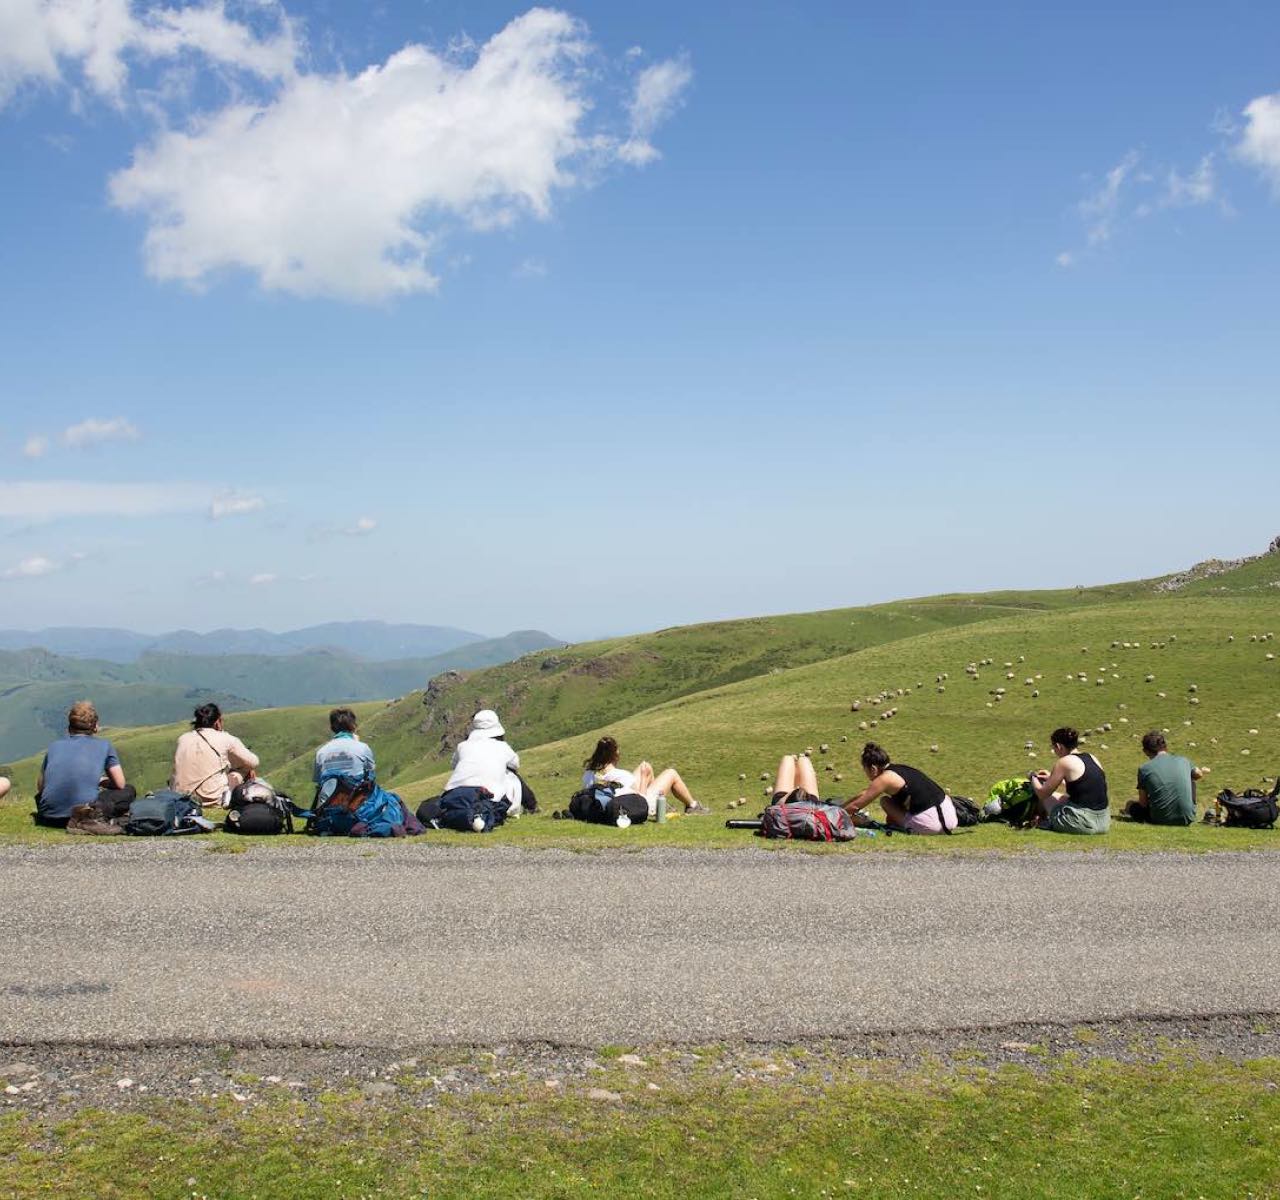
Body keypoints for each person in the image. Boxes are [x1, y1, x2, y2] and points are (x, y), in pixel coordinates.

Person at [33, 701, 136, 828]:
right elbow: (120, 783)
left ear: (69, 727)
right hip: (84, 814)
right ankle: (91, 817)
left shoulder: (54, 746)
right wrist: (102, 782)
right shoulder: (105, 745)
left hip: (48, 816)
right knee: (128, 790)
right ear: (96, 727)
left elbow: (41, 787)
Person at [842, 742, 957, 833]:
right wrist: (840, 807)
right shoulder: (900, 769)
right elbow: (865, 793)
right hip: (951, 819)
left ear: (873, 768)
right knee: (891, 801)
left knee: (885, 801)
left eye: (865, 769)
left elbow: (857, 805)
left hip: (932, 825)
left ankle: (911, 826)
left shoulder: (884, 778)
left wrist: (835, 815)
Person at [581, 735, 706, 817]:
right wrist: (644, 780)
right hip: (636, 806)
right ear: (614, 755)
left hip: (608, 804)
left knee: (645, 766)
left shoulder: (589, 774)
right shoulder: (622, 776)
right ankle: (692, 806)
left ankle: (663, 806)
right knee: (671, 773)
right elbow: (639, 802)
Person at [171, 703, 261, 807]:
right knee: (246, 769)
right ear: (217, 722)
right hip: (211, 798)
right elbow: (254, 762)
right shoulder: (225, 738)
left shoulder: (183, 738)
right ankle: (237, 799)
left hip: (180, 796)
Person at [442, 709, 527, 815]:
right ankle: (530, 805)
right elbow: (515, 765)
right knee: (512, 775)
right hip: (488, 797)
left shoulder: (462, 746)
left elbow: (454, 765)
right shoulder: (502, 747)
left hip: (454, 795)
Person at [1029, 726, 1110, 834]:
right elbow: (1085, 786)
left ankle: (1040, 819)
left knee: (1045, 795)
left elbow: (1042, 793)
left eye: (1053, 747)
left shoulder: (1064, 762)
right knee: (1061, 797)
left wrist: (1033, 777)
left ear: (1058, 746)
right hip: (1103, 822)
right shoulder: (1091, 757)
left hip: (1082, 823)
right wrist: (1051, 778)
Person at [1125, 731, 1208, 825]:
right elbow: (1198, 774)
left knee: (1130, 805)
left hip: (1159, 819)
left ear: (1145, 751)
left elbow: (1143, 803)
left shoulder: (1144, 769)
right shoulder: (1184, 760)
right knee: (1191, 778)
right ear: (1165, 747)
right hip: (1187, 818)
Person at [313, 707, 376, 785]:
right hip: (355, 793)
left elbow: (319, 780)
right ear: (353, 726)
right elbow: (371, 773)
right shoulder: (363, 748)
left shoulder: (321, 752)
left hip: (330, 795)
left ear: (332, 728)